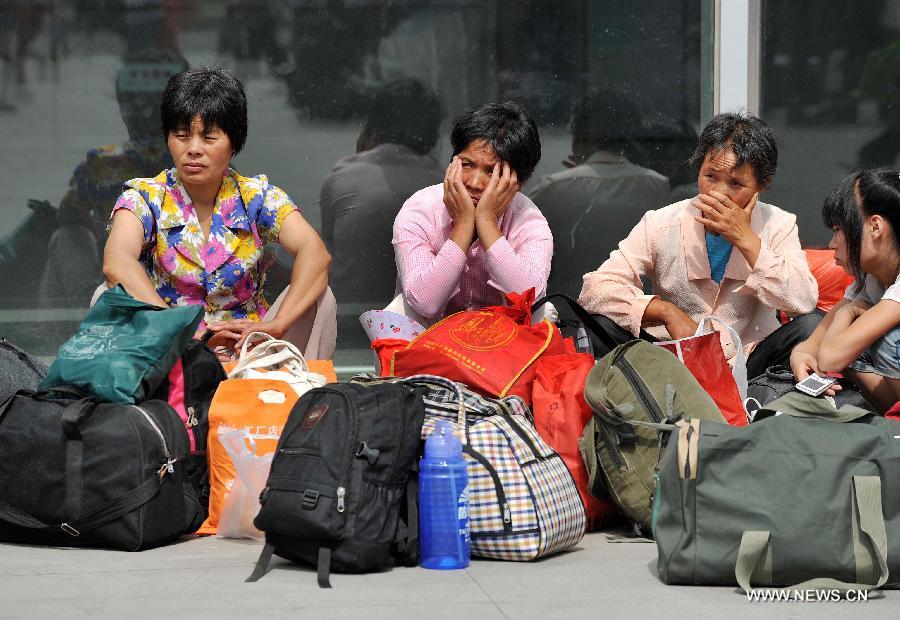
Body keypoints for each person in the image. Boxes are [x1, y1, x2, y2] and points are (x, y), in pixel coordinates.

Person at [102, 66, 335, 359]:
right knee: (107, 295)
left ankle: (306, 398)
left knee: (320, 298)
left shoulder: (257, 197)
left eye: (209, 138)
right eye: (182, 135)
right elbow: (116, 261)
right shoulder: (144, 198)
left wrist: (275, 326)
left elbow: (315, 253)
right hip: (169, 349)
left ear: (234, 144)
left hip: (251, 347)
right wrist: (182, 332)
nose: (194, 149)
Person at [578, 112, 819, 378]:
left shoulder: (778, 224)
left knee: (810, 328)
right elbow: (595, 289)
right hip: (671, 359)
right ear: (698, 170)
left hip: (749, 363)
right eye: (711, 177)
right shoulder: (661, 223)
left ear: (763, 184)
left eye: (736, 183)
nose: (718, 193)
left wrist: (746, 239)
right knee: (599, 325)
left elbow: (803, 300)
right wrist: (665, 311)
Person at [39, 48, 189, 307]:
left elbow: (68, 214)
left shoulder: (103, 164)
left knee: (65, 237)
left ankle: (60, 330)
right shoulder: (205, 160)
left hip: (122, 287)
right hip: (188, 288)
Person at [392, 100, 552, 324]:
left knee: (544, 313)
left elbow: (529, 300)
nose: (475, 183)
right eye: (467, 164)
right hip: (430, 345)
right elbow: (424, 302)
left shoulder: (529, 220)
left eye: (492, 171)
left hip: (504, 344)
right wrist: (464, 226)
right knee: (400, 309)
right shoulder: (420, 210)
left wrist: (487, 222)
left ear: (519, 182)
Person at [529, 88, 669, 298]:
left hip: (567, 310)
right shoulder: (658, 186)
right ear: (631, 136)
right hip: (638, 311)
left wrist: (576, 177)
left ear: (580, 136)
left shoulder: (553, 188)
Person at [320, 79, 443, 306]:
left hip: (348, 316)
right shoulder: (442, 183)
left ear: (372, 129)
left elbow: (329, 252)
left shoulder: (341, 177)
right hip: (420, 321)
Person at [790, 170, 900, 413]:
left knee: (886, 340)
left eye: (838, 229)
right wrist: (800, 355)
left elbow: (829, 356)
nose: (831, 244)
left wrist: (846, 313)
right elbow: (812, 344)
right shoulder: (872, 279)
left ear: (875, 227)